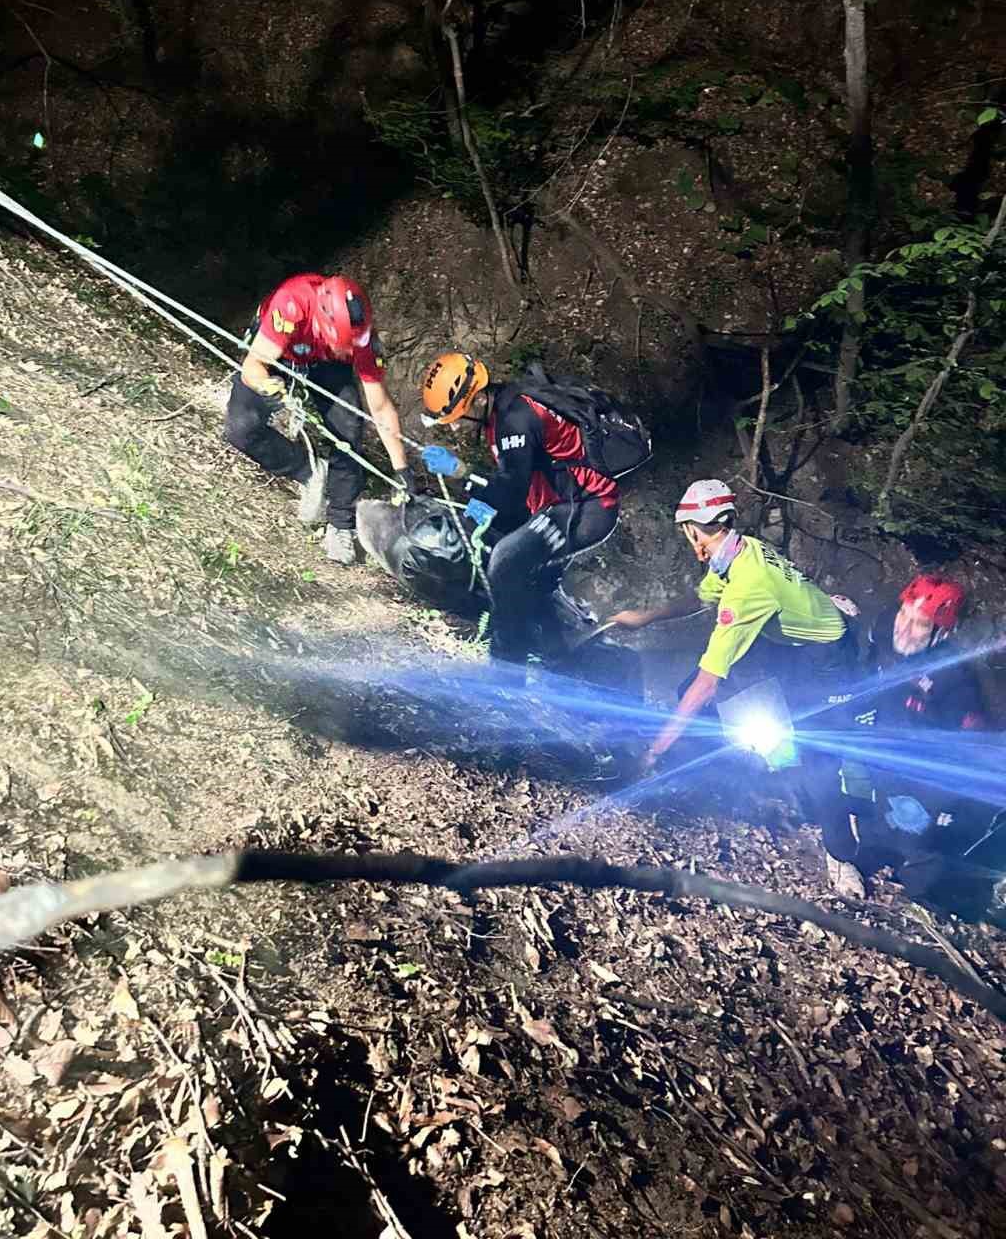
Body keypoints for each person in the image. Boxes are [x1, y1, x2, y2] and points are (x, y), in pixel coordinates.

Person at [605, 480, 857, 788]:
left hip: (826, 653)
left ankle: (801, 793)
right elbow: (701, 597)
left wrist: (652, 752)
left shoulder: (746, 586)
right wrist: (645, 618)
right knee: (693, 691)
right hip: (788, 635)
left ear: (691, 529)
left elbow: (707, 682)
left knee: (812, 738)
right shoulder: (739, 550)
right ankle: (708, 764)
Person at [417, 352, 621, 665]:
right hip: (560, 505)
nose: (456, 427)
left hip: (587, 507)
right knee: (527, 572)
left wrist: (477, 501)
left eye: (457, 418)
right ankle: (557, 656)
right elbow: (512, 481)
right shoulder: (503, 409)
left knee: (506, 561)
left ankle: (506, 660)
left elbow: (511, 488)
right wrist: (462, 474)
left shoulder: (515, 418)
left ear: (472, 402)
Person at [821, 577, 1003, 908]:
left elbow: (965, 751)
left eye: (920, 624)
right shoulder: (885, 625)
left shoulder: (954, 681)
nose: (904, 628)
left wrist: (938, 803)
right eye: (905, 615)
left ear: (941, 633)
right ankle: (859, 842)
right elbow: (868, 671)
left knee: (919, 863)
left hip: (919, 768)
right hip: (878, 744)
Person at [224, 273, 410, 565]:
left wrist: (403, 470)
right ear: (324, 326)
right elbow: (253, 366)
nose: (353, 352)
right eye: (347, 346)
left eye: (355, 346)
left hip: (325, 361)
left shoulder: (360, 337)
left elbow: (381, 407)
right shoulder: (291, 306)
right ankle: (306, 470)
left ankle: (340, 524)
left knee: (349, 430)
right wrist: (265, 385)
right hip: (283, 351)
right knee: (241, 429)